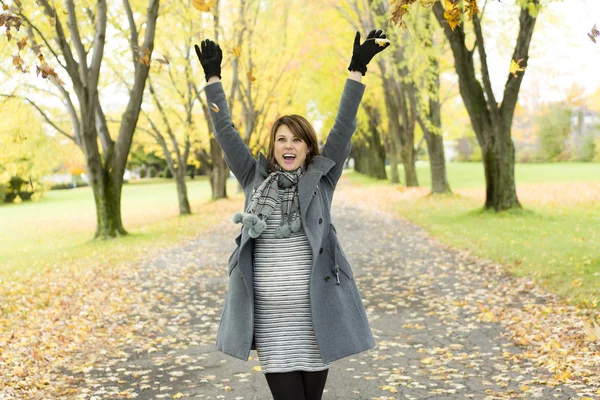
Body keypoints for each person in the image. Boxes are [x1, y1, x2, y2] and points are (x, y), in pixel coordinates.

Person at [195, 29, 390, 400]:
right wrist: (213, 80)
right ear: (273, 146)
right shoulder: (254, 178)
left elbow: (343, 127)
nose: (289, 145)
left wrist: (357, 71)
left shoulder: (321, 178)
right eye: (281, 138)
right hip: (272, 322)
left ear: (307, 147)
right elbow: (224, 131)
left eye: (296, 139)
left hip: (317, 316)